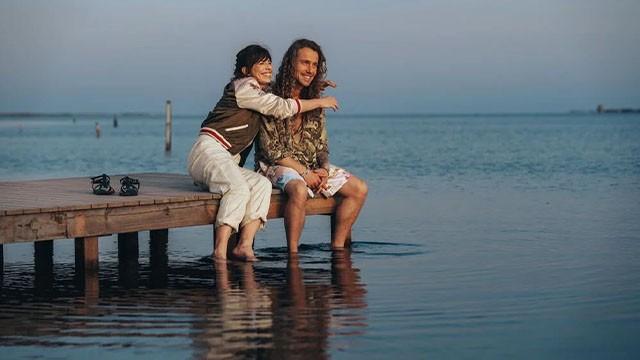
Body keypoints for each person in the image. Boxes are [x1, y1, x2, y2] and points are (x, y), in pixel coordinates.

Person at [187, 44, 339, 262]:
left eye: (269, 62)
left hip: (225, 161)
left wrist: (310, 88)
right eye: (261, 63)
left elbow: (280, 95)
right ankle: (219, 252)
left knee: (262, 185)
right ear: (245, 71)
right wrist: (319, 101)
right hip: (208, 152)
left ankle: (244, 246)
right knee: (238, 189)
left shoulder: (257, 92)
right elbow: (280, 105)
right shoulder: (243, 87)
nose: (268, 67)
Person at [255, 39, 368, 253]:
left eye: (315, 65)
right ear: (291, 64)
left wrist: (324, 169)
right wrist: (305, 173)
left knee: (359, 189)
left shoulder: (316, 102)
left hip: (309, 165)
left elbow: (322, 146)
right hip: (274, 166)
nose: (310, 70)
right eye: (305, 63)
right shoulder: (270, 98)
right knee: (298, 189)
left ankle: (337, 250)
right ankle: (293, 255)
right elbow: (272, 151)